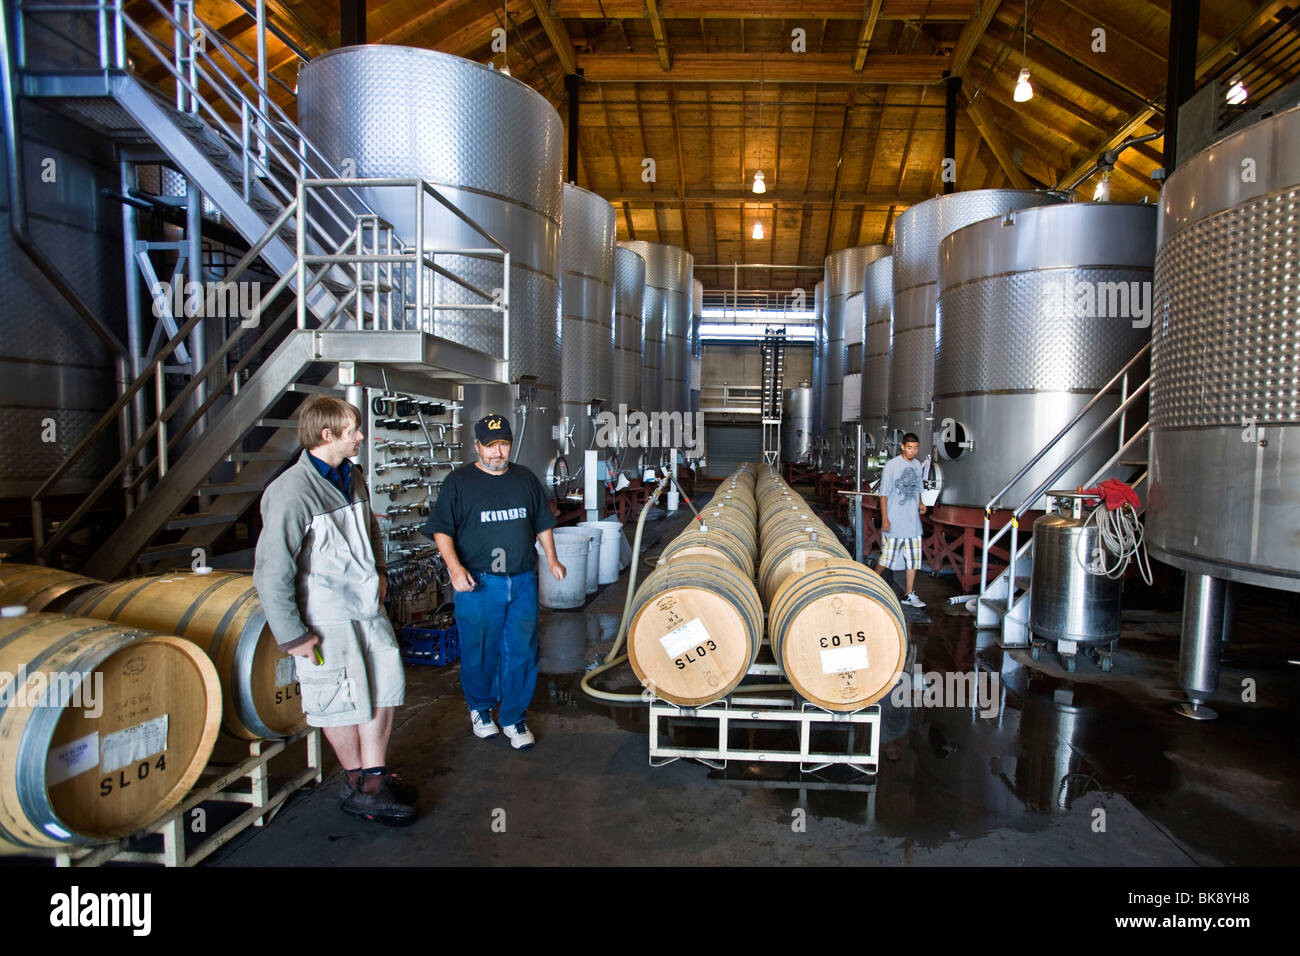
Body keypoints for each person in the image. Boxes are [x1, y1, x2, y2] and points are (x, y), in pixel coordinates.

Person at [253, 394, 415, 826]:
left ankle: (376, 779)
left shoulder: (353, 477)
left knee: (383, 689)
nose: (361, 436)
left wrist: (380, 573)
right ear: (328, 435)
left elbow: (372, 530)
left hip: (368, 609)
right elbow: (272, 573)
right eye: (353, 430)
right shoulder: (290, 492)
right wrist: (293, 634)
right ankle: (357, 780)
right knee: (338, 701)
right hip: (326, 620)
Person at [424, 414, 566, 750]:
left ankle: (514, 718)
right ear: (477, 447)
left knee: (522, 651)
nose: (498, 452)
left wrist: (552, 558)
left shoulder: (525, 479)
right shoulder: (459, 483)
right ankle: (481, 708)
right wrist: (455, 570)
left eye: (503, 444)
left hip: (521, 582)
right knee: (480, 651)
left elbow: (542, 522)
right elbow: (442, 530)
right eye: (490, 446)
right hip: (479, 585)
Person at [876, 432, 927, 608]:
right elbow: (883, 495)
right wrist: (885, 519)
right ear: (902, 447)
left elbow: (919, 488)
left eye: (916, 448)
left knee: (913, 560)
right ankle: (870, 582)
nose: (913, 451)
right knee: (886, 560)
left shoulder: (917, 465)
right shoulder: (892, 466)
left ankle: (908, 594)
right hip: (895, 521)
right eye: (910, 447)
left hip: (913, 523)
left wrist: (921, 503)